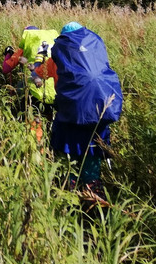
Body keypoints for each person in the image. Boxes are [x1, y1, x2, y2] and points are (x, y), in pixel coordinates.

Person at [50, 21, 122, 196]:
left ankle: (71, 188)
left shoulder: (61, 49)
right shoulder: (95, 44)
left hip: (73, 111)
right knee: (92, 149)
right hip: (102, 102)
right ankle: (94, 194)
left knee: (68, 145)